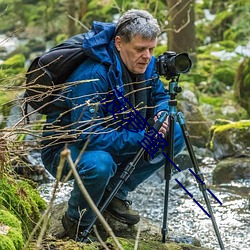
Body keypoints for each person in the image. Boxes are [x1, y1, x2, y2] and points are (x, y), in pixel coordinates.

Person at [41, 9, 185, 241]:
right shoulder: (92, 75)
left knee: (175, 132)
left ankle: (115, 193)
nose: (147, 56)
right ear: (119, 43)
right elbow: (87, 135)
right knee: (100, 164)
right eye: (140, 49)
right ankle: (76, 221)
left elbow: (159, 96)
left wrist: (161, 113)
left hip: (117, 134)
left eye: (151, 49)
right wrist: (142, 137)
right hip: (66, 149)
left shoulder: (145, 64)